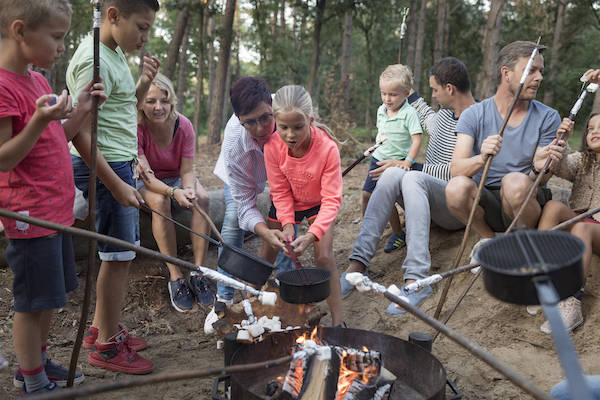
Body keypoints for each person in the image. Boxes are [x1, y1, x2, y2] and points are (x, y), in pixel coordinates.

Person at [0, 0, 137, 393]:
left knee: (50, 297)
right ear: (20, 31)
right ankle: (31, 380)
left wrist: (83, 106)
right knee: (31, 303)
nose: (62, 46)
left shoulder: (37, 80)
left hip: (55, 211)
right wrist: (42, 118)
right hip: (31, 216)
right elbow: (5, 159)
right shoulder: (4, 86)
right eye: (56, 37)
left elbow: (56, 138)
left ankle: (35, 363)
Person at [67, 0, 160, 375]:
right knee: (117, 257)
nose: (145, 36)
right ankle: (106, 346)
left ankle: (99, 328)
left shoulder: (114, 53)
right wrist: (116, 183)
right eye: (141, 27)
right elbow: (80, 135)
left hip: (119, 164)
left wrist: (143, 83)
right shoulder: (93, 61)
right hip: (104, 168)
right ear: (113, 15)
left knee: (118, 255)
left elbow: (121, 109)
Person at [340, 57, 474, 315]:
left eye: (435, 89)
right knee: (392, 175)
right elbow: (423, 111)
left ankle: (416, 281)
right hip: (426, 196)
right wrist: (403, 87)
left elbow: (463, 171)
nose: (432, 96)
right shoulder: (444, 116)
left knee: (407, 174)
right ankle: (358, 264)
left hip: (453, 205)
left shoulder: (478, 118)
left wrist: (407, 165)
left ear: (449, 89)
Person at [445, 41, 565, 262]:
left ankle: (519, 243)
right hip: (485, 200)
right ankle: (488, 241)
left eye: (541, 71)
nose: (539, 78)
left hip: (526, 200)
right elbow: (456, 168)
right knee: (456, 188)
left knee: (514, 182)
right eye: (531, 70)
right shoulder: (474, 114)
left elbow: (542, 181)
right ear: (506, 74)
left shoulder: (548, 117)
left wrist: (539, 169)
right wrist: (482, 158)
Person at [264, 85, 343, 326]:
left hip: (319, 203)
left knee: (324, 258)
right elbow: (279, 190)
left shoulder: (328, 149)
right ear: (275, 121)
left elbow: (332, 200)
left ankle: (338, 322)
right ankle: (250, 310)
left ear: (311, 120)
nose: (290, 135)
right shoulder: (272, 147)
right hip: (288, 203)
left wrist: (310, 235)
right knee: (267, 253)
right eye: (283, 127)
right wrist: (288, 225)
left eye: (298, 127)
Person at [212, 77, 292, 307]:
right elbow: (246, 204)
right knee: (232, 219)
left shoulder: (290, 111)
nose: (260, 129)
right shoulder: (234, 143)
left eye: (266, 118)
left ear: (273, 108)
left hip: (284, 173)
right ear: (239, 119)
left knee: (288, 220)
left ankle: (285, 287)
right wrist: (264, 232)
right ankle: (224, 297)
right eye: (250, 122)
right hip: (245, 174)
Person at [137, 73, 214, 313]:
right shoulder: (136, 128)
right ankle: (175, 276)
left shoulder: (184, 126)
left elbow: (188, 169)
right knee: (160, 202)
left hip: (176, 177)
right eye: (151, 101)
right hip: (148, 181)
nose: (158, 107)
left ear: (172, 102)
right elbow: (147, 176)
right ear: (141, 103)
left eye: (164, 101)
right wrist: (173, 193)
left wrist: (188, 190)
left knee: (203, 198)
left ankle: (198, 272)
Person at [537, 112, 599, 333]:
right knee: (553, 207)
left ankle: (572, 302)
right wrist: (561, 141)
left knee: (584, 226)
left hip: (596, 229)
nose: (595, 132)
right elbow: (560, 167)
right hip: (581, 221)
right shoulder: (583, 160)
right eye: (591, 128)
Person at [362, 64, 423, 253]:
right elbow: (384, 132)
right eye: (384, 93)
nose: (387, 99)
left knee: (387, 198)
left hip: (397, 162)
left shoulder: (409, 114)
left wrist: (408, 162)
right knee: (366, 195)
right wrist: (376, 145)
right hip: (379, 159)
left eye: (393, 94)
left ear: (406, 93)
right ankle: (368, 229)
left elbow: (417, 140)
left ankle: (398, 234)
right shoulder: (381, 110)